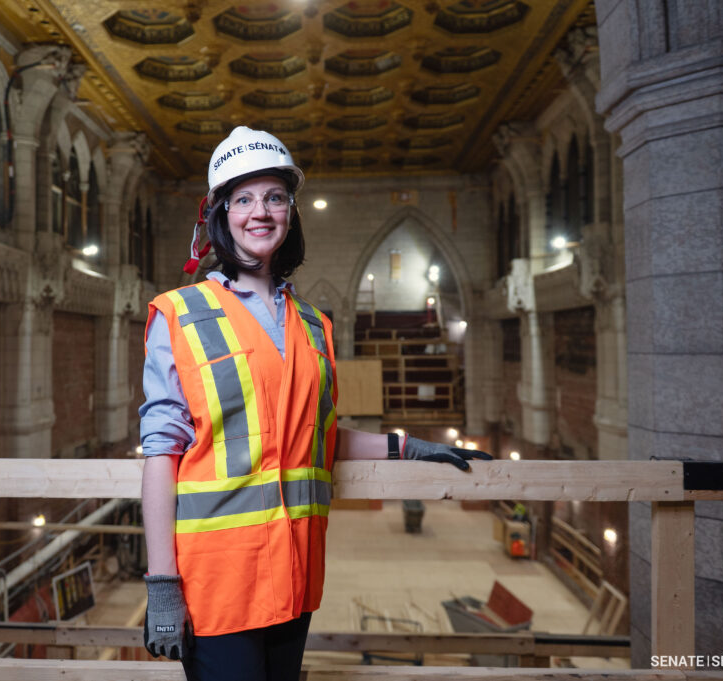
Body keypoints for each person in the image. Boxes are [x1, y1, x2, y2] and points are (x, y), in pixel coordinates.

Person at [138, 126, 491, 681]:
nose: (261, 211)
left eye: (275, 197)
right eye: (244, 199)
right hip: (219, 584)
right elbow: (162, 454)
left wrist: (407, 446)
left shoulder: (313, 324)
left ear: (290, 214)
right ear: (220, 215)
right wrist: (162, 586)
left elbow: (312, 435)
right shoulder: (179, 315)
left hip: (296, 577)